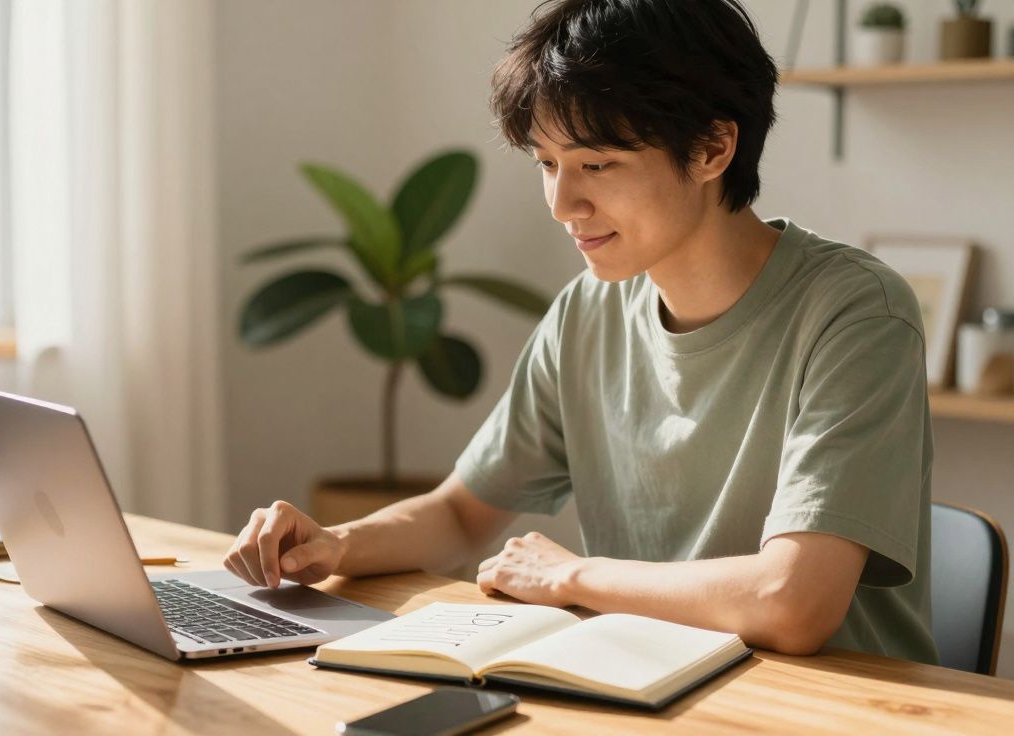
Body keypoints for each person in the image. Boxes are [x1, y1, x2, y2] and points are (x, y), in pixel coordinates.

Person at [223, 0, 936, 662]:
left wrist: (574, 577)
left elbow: (793, 603)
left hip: (831, 706)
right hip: (643, 683)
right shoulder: (587, 312)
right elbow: (462, 513)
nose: (564, 204)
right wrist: (334, 543)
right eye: (547, 165)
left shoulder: (856, 313)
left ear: (715, 149)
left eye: (597, 164)